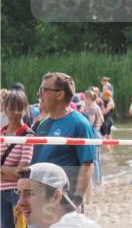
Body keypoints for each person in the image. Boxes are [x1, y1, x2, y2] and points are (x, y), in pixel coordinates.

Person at [31, 73, 96, 208]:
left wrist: (75, 201)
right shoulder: (43, 123)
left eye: (43, 90)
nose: (39, 94)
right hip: (39, 200)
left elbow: (87, 165)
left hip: (64, 201)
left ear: (59, 95)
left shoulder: (79, 124)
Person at [0, 91, 33, 228]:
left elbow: (22, 171)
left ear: (26, 109)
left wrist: (4, 170)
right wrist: (10, 171)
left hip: (17, 193)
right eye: (12, 108)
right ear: (4, 109)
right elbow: (15, 170)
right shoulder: (1, 134)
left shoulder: (28, 135)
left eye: (20, 108)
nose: (16, 113)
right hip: (1, 192)